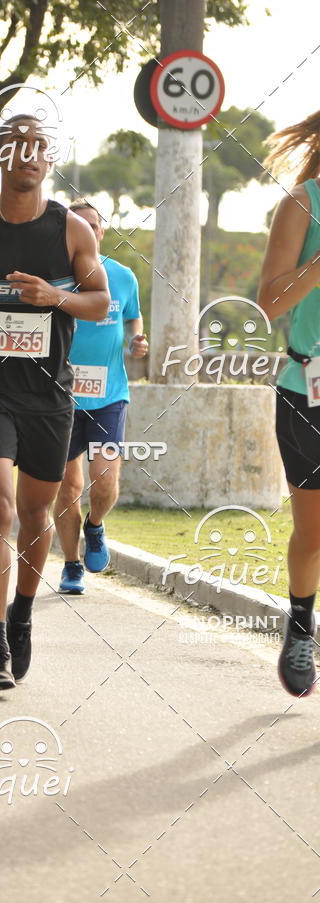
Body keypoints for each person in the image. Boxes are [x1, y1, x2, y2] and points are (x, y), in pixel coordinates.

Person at [0, 115, 110, 691]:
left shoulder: (70, 231)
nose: (28, 157)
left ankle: (23, 615)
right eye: (16, 147)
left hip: (47, 393)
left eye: (39, 148)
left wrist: (55, 295)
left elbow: (100, 303)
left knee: (37, 513)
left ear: (48, 158)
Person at [53, 199, 148, 593]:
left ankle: (95, 526)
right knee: (68, 487)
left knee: (105, 480)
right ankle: (72, 564)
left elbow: (133, 318)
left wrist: (137, 342)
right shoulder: (53, 277)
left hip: (109, 394)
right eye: (79, 225)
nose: (88, 231)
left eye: (94, 225)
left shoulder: (122, 275)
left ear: (102, 232)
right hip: (59, 396)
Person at [258, 109, 320, 697]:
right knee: (313, 532)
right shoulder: (304, 203)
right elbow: (269, 302)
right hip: (309, 390)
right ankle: (301, 623)